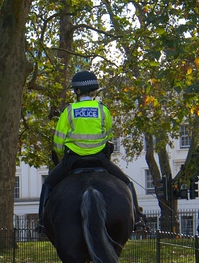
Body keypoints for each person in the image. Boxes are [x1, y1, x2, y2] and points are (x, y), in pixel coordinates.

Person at [38, 70, 138, 220]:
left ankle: (41, 220)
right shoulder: (103, 110)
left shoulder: (69, 111)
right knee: (127, 183)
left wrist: (60, 152)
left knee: (48, 183)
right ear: (93, 90)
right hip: (100, 159)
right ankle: (137, 217)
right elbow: (108, 135)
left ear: (77, 90)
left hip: (73, 160)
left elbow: (58, 141)